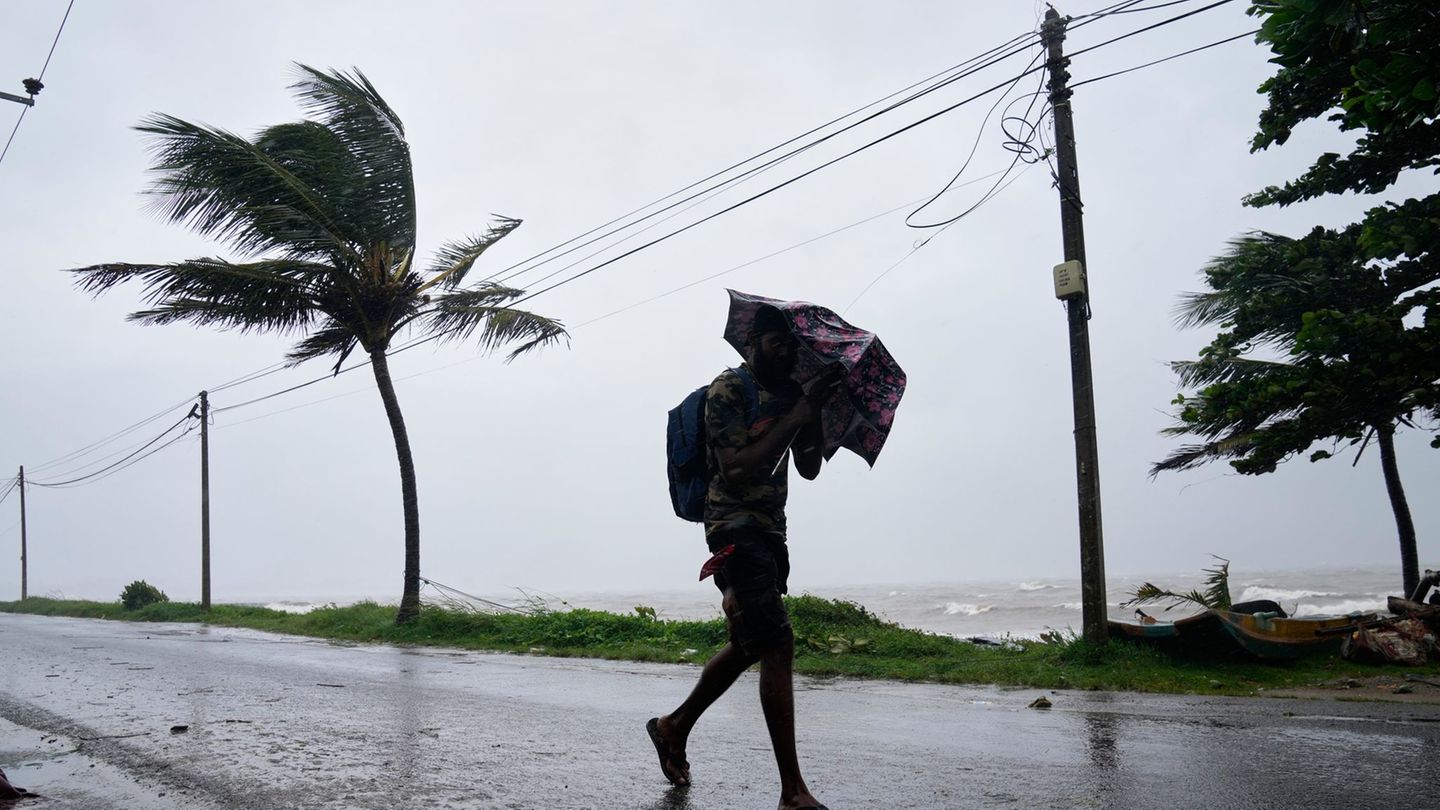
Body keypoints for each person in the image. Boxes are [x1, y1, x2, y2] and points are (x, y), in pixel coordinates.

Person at [647, 304, 843, 810]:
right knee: (777, 641)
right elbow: (733, 468)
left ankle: (673, 726)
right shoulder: (728, 390)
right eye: (779, 342)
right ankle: (793, 792)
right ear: (754, 341)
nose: (787, 352)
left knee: (751, 642)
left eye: (793, 346)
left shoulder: (789, 396)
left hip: (771, 532)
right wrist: (796, 414)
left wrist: (813, 412)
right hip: (733, 527)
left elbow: (809, 469)